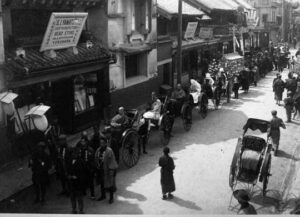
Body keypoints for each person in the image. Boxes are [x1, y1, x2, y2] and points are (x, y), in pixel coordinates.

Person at [66, 148, 87, 214]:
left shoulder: (81, 161)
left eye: (75, 154)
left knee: (79, 198)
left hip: (78, 183)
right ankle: (74, 209)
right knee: (72, 197)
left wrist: (77, 176)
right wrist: (68, 175)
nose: (74, 155)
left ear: (78, 154)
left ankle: (81, 210)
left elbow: (83, 172)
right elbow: (67, 170)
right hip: (71, 183)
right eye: (73, 153)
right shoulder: (69, 161)